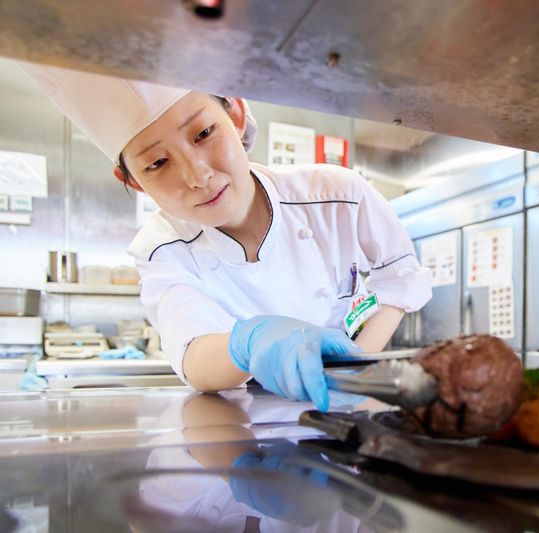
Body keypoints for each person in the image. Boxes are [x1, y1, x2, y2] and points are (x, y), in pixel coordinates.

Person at [21, 61, 432, 411]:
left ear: (235, 113)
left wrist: (354, 367)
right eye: (158, 163)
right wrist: (247, 344)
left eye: (203, 133)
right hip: (244, 429)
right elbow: (194, 353)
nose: (197, 175)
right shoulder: (161, 248)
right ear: (133, 182)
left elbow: (399, 280)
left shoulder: (338, 195)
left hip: (343, 408)